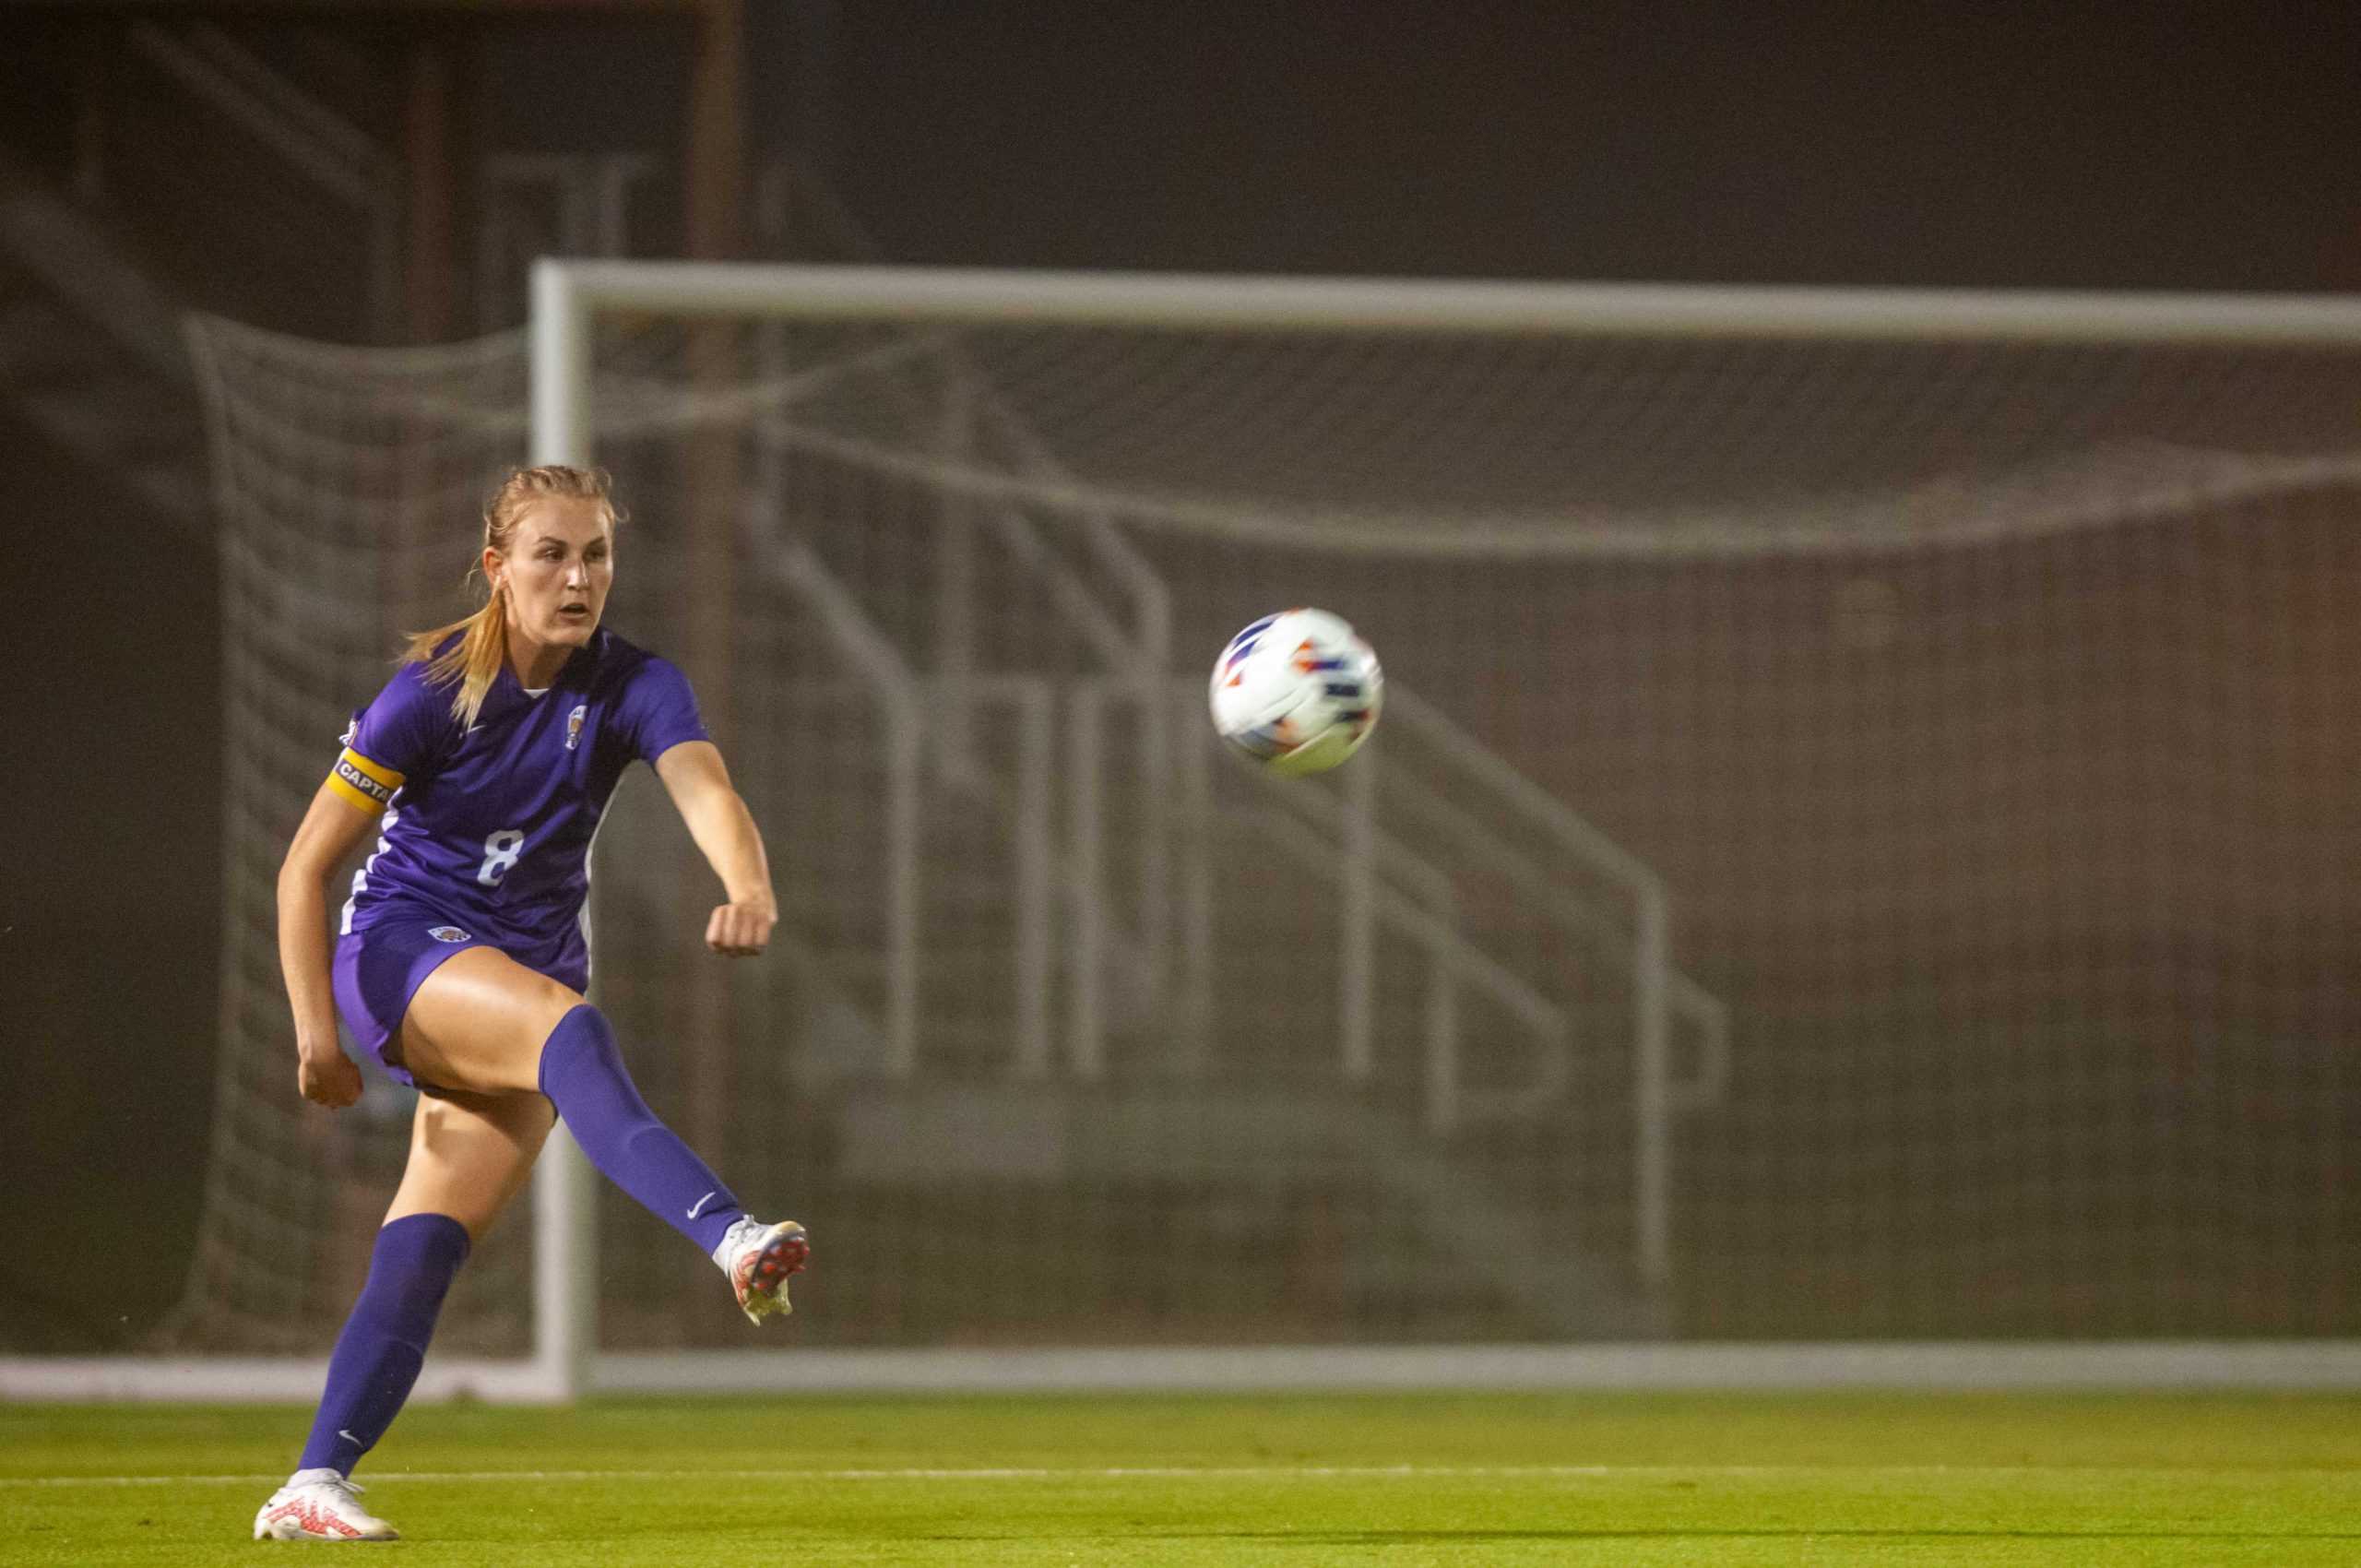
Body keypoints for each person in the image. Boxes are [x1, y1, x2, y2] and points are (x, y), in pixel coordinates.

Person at [252, 465, 807, 1543]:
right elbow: (301, 870)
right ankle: (735, 1238)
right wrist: (316, 1034)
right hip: (398, 957)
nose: (578, 575)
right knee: (570, 1028)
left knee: (424, 1249)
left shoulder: (635, 683)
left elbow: (706, 785)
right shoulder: (429, 690)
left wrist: (749, 886)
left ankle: (311, 1482)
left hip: (514, 976)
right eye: (551, 553)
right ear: (498, 568)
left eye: (596, 553)